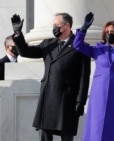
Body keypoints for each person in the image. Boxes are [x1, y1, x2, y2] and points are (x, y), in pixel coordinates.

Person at [10, 13, 91, 141]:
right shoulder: (48, 44)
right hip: (48, 97)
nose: (54, 28)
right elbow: (26, 52)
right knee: (44, 133)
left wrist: (81, 101)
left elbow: (84, 77)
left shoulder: (80, 46)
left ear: (67, 26)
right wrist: (18, 34)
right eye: (53, 25)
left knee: (66, 134)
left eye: (56, 25)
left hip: (68, 99)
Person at [73, 12, 114, 141]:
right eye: (107, 31)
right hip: (99, 92)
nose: (109, 34)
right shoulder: (98, 49)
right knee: (97, 124)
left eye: (112, 31)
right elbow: (77, 45)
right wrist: (83, 29)